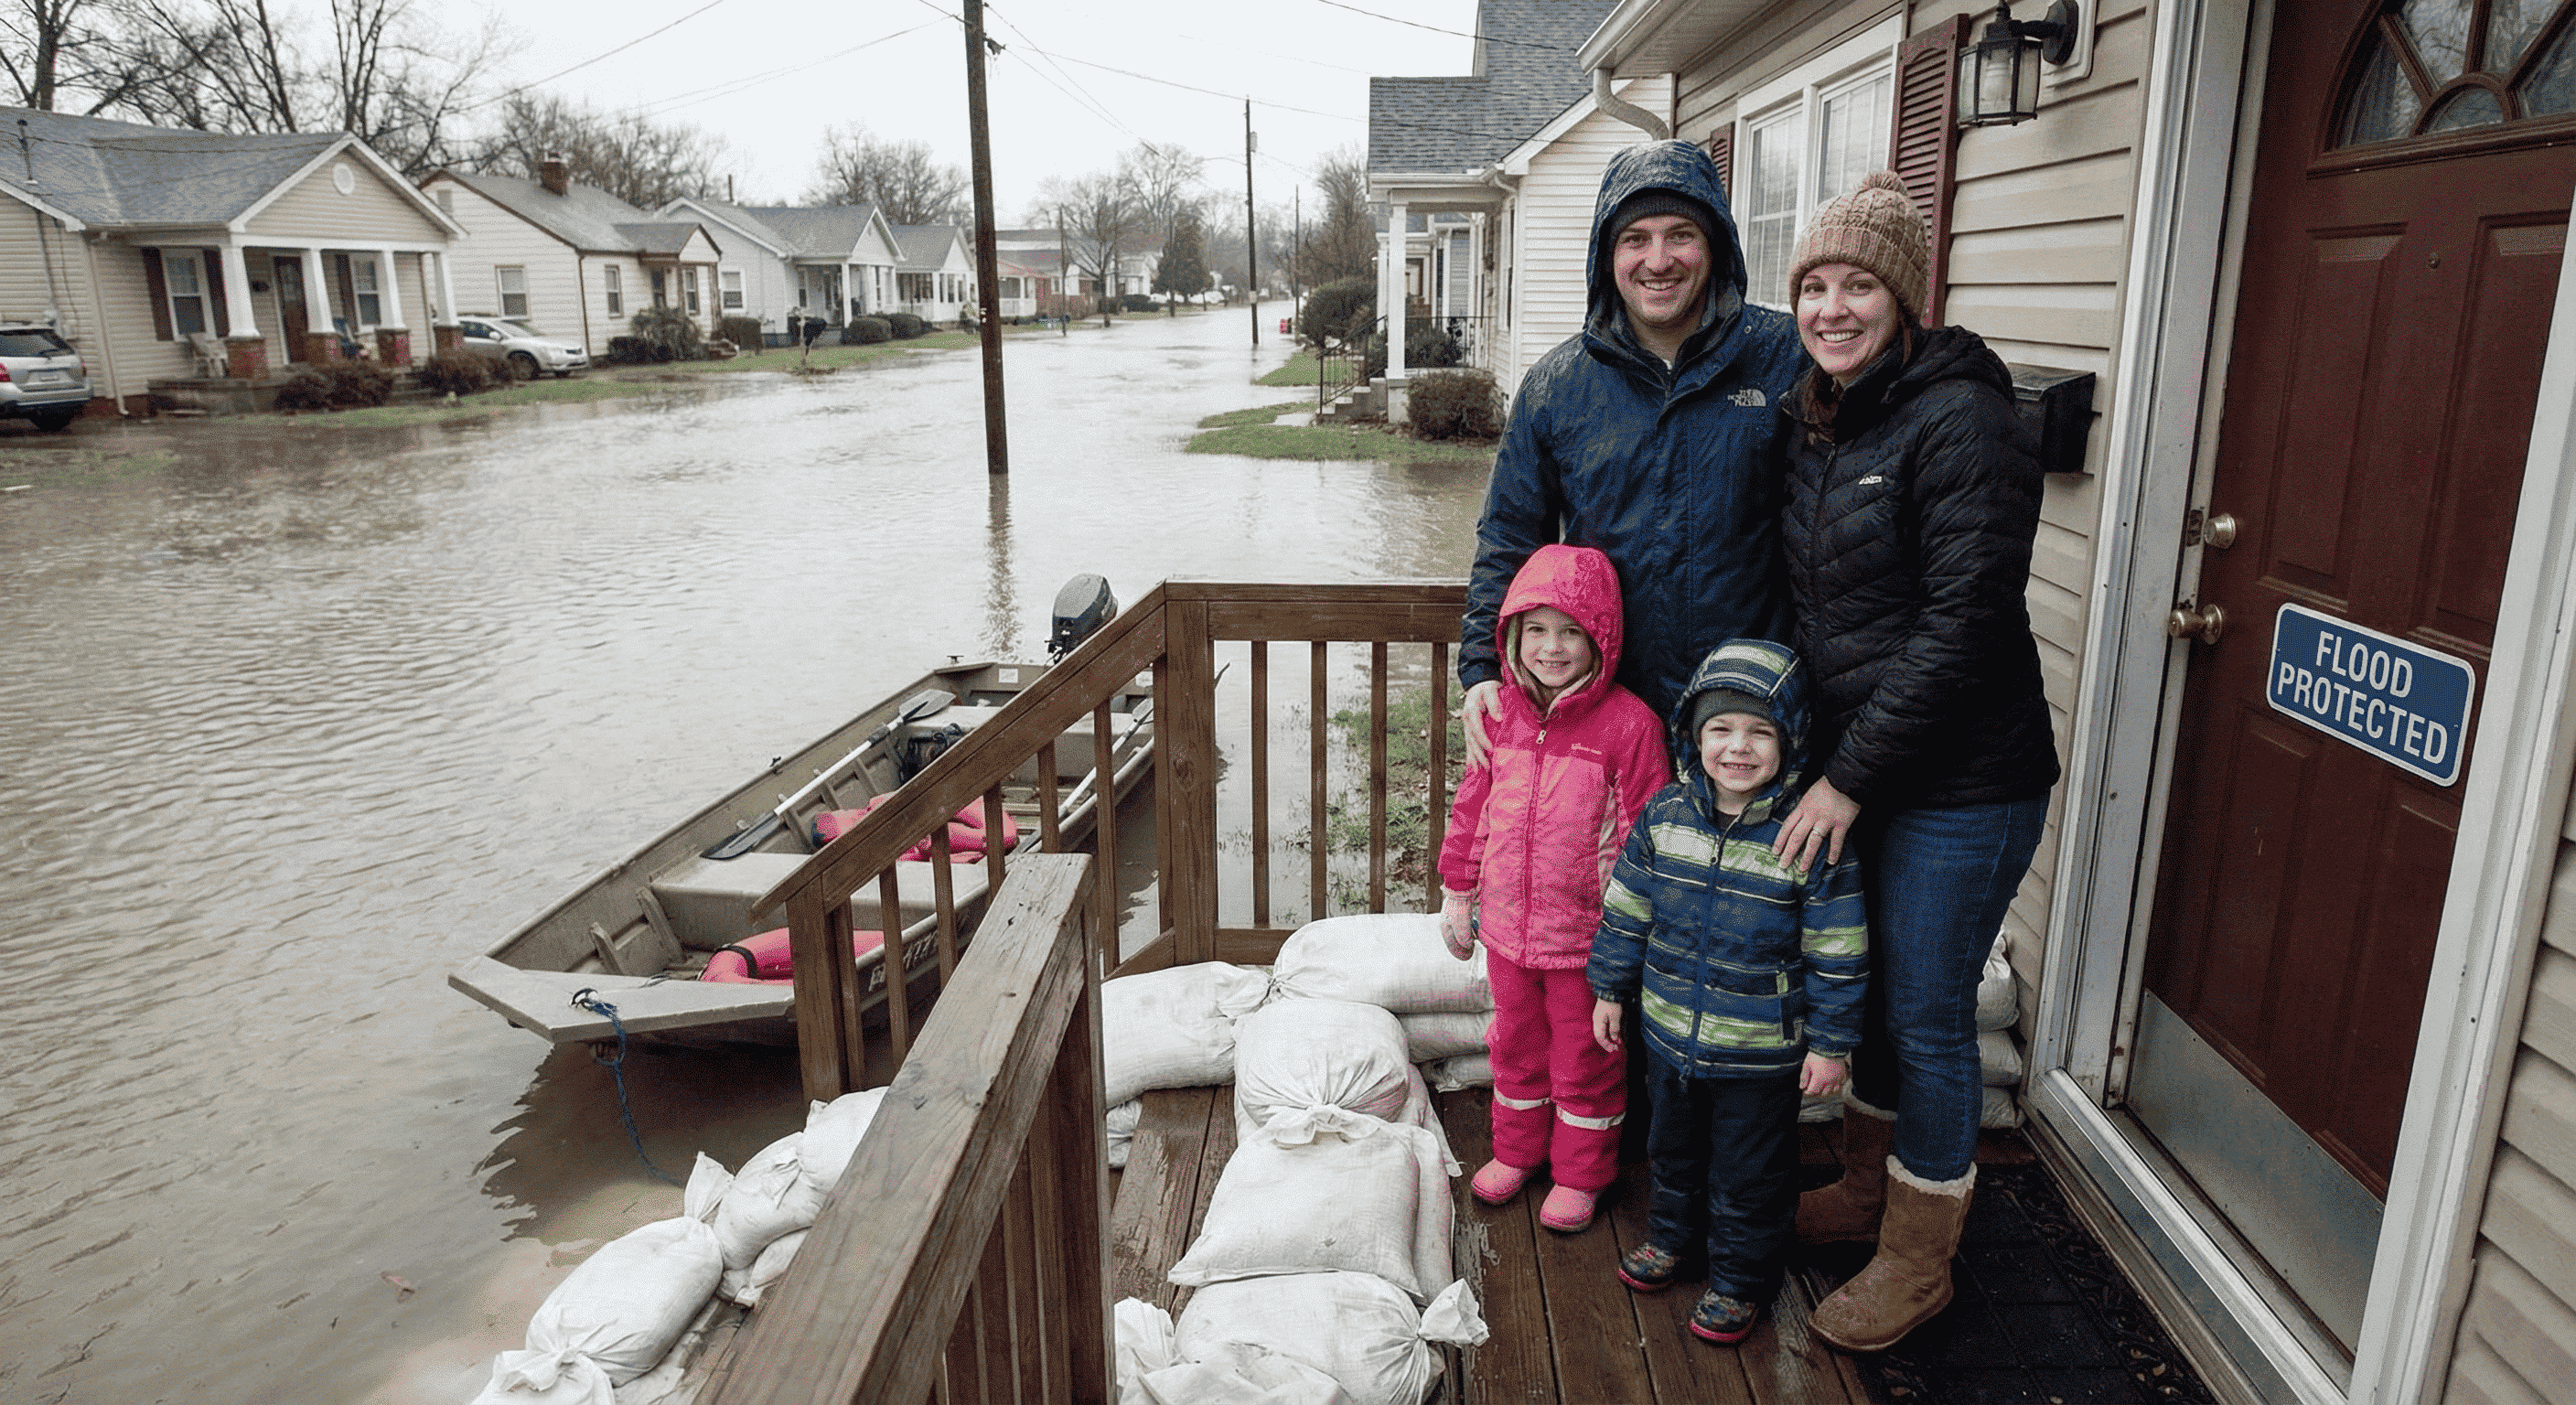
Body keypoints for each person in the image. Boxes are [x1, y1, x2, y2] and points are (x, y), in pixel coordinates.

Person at [1768, 171, 2062, 1354]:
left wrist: (1848, 778)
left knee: (1928, 1010)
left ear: (1906, 297)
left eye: (1860, 286)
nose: (1834, 308)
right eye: (1815, 287)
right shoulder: (1822, 419)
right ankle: (1866, 1186)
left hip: (1967, 780)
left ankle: (1920, 1256)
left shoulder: (1962, 419)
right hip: (1869, 769)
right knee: (1878, 988)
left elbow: (1965, 623)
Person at [1459, 139, 1808, 754]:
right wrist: (1484, 668)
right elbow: (1511, 537)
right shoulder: (1556, 387)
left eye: (1681, 235)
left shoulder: (1784, 359)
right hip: (1606, 719)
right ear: (1607, 255)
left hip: (1750, 723)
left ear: (1716, 245)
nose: (1658, 259)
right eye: (1635, 239)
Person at [1585, 638, 1865, 1345]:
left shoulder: (1806, 834)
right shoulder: (1663, 818)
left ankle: (1741, 1279)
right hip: (1670, 1034)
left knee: (1750, 1173)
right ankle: (1673, 1240)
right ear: (1694, 736)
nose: (1737, 748)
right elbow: (1626, 911)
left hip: (1759, 1052)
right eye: (1720, 729)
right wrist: (1610, 989)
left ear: (1790, 740)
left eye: (1758, 732)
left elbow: (1837, 948)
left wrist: (1831, 1044)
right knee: (1672, 1150)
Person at [1437, 543, 1668, 1235]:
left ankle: (1580, 1173)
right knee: (1513, 1044)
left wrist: (1630, 939)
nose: (1552, 647)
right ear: (1511, 636)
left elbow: (1643, 844)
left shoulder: (1630, 727)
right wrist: (1458, 893)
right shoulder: (1500, 714)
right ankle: (1517, 1151)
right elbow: (1472, 811)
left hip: (1586, 945)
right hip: (1507, 933)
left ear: (1601, 638)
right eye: (1535, 629)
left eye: (1571, 631)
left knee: (1585, 1059)